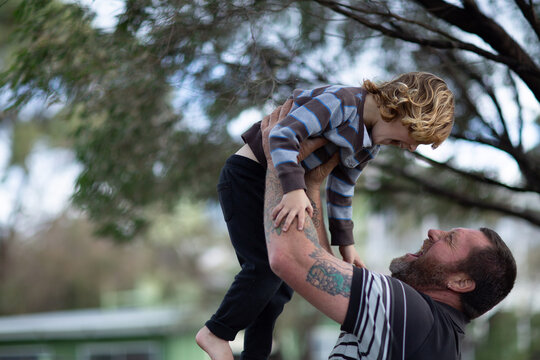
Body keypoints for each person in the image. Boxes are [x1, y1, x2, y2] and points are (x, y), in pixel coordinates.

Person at [197, 72, 455, 360]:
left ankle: (254, 355)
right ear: (400, 107)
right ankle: (216, 333)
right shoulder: (341, 102)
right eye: (412, 138)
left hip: (287, 187)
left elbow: (343, 186)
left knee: (281, 289)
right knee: (265, 268)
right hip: (249, 176)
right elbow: (283, 135)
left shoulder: (371, 142)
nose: (410, 148)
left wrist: (346, 243)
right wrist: (295, 190)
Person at [260, 107, 517, 360]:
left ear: (460, 282)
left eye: (449, 240)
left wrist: (277, 160)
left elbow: (289, 256)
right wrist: (312, 185)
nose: (433, 232)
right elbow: (323, 266)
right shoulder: (436, 334)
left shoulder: (413, 316)